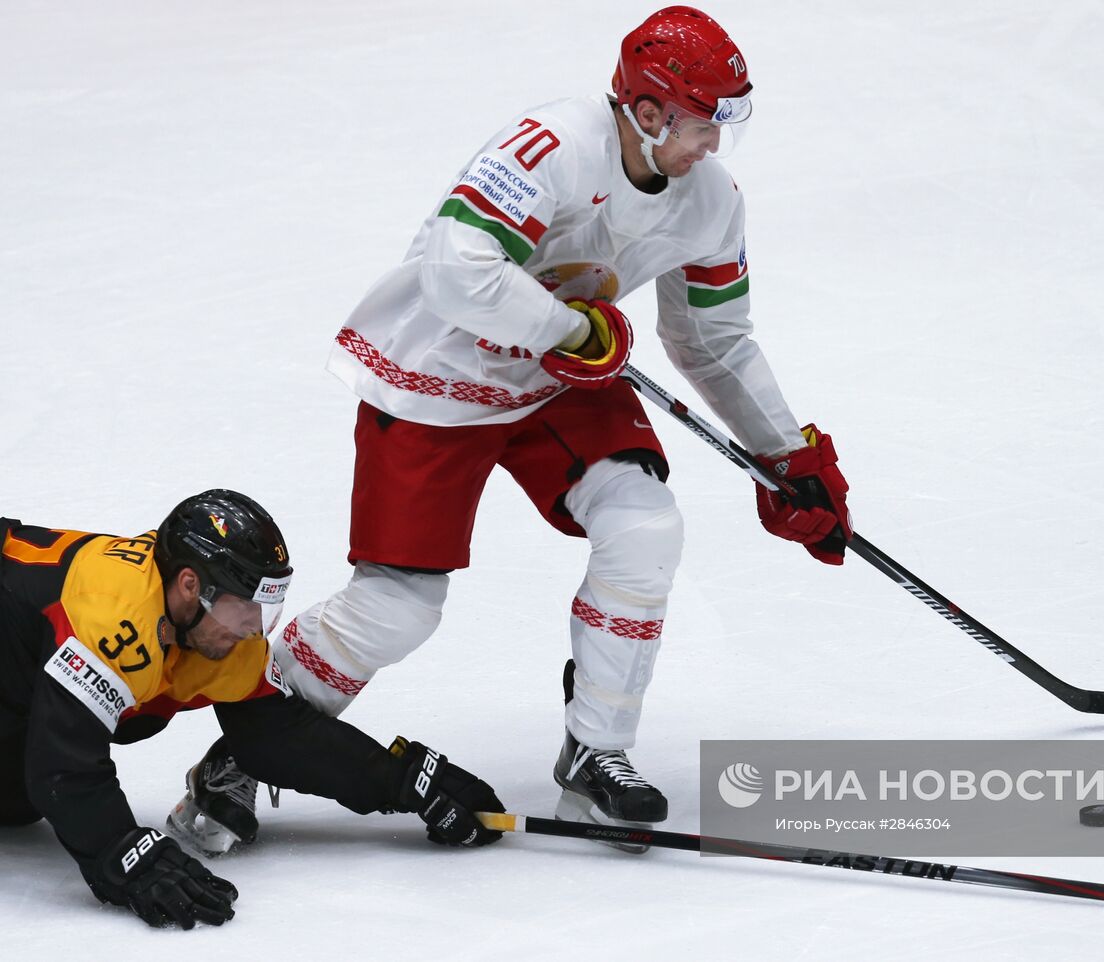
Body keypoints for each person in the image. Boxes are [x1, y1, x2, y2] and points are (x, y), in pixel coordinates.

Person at [176, 5, 854, 852]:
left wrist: (783, 451)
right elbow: (456, 267)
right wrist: (572, 332)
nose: (713, 144)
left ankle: (597, 752)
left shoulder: (710, 201)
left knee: (645, 527)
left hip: (559, 379)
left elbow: (713, 337)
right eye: (702, 122)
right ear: (646, 112)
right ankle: (245, 747)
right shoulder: (550, 147)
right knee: (397, 609)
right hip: (441, 373)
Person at [0, 491, 505, 929]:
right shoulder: (113, 618)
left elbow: (279, 737)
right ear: (191, 585)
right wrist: (122, 853)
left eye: (266, 605)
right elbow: (62, 764)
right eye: (246, 606)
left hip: (16, 679)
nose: (253, 627)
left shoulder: (217, 633)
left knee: (17, 800)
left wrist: (402, 780)